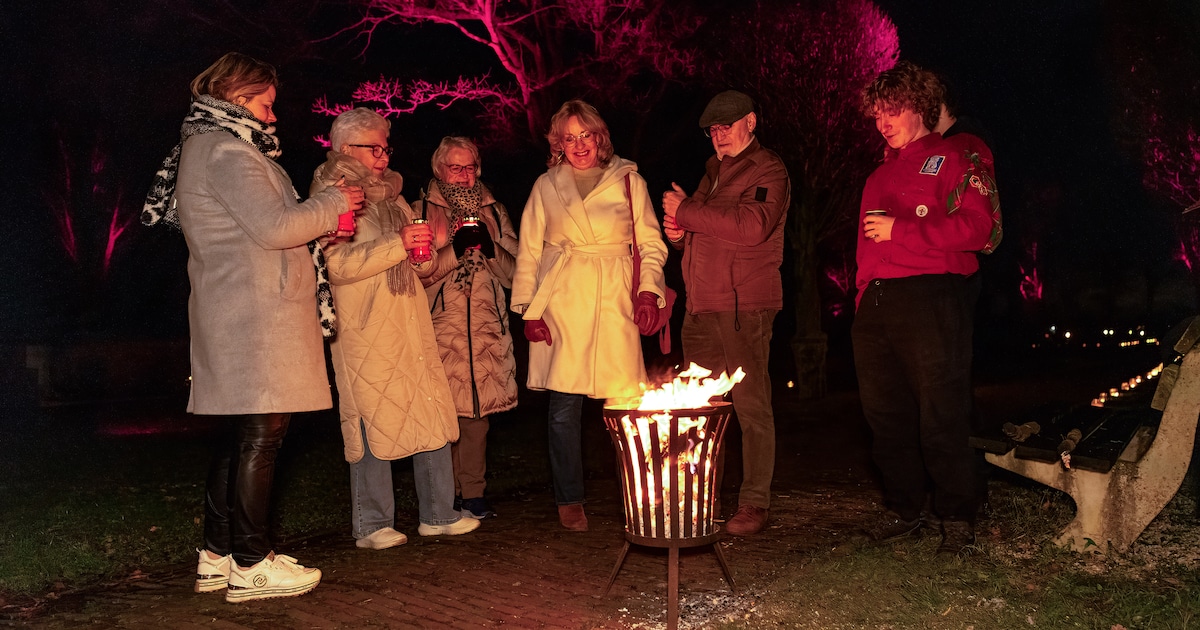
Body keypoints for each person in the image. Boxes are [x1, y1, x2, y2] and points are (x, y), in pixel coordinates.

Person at [141, 52, 364, 602]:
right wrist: (331, 201)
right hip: (256, 316)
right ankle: (252, 562)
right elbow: (272, 227)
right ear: (238, 97)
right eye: (266, 102)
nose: (273, 113)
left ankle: (219, 554)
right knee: (261, 438)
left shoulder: (208, 146)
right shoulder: (225, 151)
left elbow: (264, 231)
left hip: (244, 309)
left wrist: (320, 231)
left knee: (239, 435)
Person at [313, 108, 480, 550]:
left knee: (427, 407)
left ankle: (439, 513)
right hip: (365, 324)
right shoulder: (333, 193)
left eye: (387, 147)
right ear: (346, 149)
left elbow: (412, 253)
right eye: (375, 147)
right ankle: (371, 524)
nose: (384, 156)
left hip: (407, 316)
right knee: (372, 412)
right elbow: (336, 265)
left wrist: (425, 255)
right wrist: (398, 244)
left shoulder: (390, 196)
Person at [852, 61, 999, 556]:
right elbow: (865, 247)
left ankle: (958, 515)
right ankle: (904, 507)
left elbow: (980, 231)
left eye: (892, 111)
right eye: (876, 115)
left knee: (941, 411)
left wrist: (904, 231)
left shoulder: (956, 155)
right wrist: (860, 301)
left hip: (932, 294)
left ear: (919, 105)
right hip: (876, 303)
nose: (883, 123)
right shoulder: (877, 175)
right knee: (885, 414)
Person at [511, 100, 668, 532]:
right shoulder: (546, 185)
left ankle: (642, 492)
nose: (579, 145)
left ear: (600, 137)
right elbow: (529, 248)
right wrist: (528, 309)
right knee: (564, 405)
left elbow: (651, 243)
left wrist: (648, 292)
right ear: (558, 143)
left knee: (627, 405)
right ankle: (569, 498)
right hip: (563, 298)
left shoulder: (628, 179)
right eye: (569, 137)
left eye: (586, 135)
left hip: (616, 296)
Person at [661, 90, 791, 537]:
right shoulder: (712, 172)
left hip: (744, 307)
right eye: (712, 130)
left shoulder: (768, 168)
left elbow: (753, 228)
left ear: (750, 122)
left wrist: (689, 212)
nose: (719, 136)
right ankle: (698, 497)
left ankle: (755, 502)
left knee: (751, 407)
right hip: (701, 309)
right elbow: (702, 234)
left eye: (727, 126)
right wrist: (678, 234)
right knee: (699, 409)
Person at [412, 136, 519, 521]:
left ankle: (473, 494)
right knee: (445, 413)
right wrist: (454, 250)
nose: (463, 176)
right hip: (442, 325)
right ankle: (446, 496)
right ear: (439, 170)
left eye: (470, 166)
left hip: (487, 326)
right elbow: (416, 275)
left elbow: (516, 276)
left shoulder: (494, 209)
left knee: (478, 414)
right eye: (455, 168)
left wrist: (490, 249)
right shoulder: (419, 209)